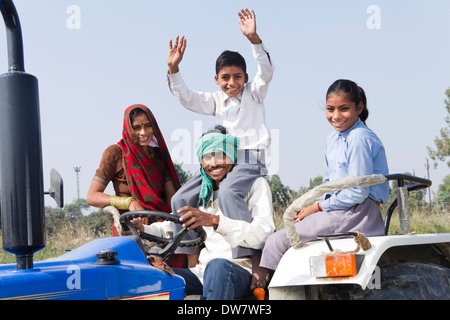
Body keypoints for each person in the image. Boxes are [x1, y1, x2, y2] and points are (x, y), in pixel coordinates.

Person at [166, 8, 275, 260]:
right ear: (216, 79)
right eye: (225, 78)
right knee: (181, 197)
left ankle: (247, 254)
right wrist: (173, 69)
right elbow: (187, 98)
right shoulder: (216, 100)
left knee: (227, 192)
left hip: (248, 159)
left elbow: (266, 72)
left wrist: (254, 39)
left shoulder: (254, 93)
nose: (232, 83)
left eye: (238, 77)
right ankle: (189, 253)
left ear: (246, 78)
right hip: (221, 159)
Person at [128, 126, 275, 300]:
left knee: (217, 266)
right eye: (207, 157)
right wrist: (144, 229)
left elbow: (263, 233)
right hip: (202, 273)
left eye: (220, 155)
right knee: (149, 275)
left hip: (240, 270)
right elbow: (178, 223)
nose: (213, 164)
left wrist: (215, 221)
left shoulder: (255, 185)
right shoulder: (203, 191)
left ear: (232, 153)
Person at [260, 79, 390, 273]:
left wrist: (317, 207)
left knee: (277, 241)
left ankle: (264, 291)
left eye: (344, 109)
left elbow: (357, 192)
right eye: (330, 109)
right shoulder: (332, 139)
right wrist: (314, 207)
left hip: (357, 212)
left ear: (359, 107)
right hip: (338, 208)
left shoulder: (359, 138)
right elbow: (329, 184)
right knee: (282, 230)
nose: (336, 116)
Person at [86, 104, 186, 267]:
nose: (143, 132)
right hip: (130, 228)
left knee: (190, 253)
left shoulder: (159, 156)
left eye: (148, 126)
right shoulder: (114, 153)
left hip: (160, 227)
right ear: (128, 128)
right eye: (137, 127)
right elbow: (92, 197)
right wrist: (129, 202)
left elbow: (172, 201)